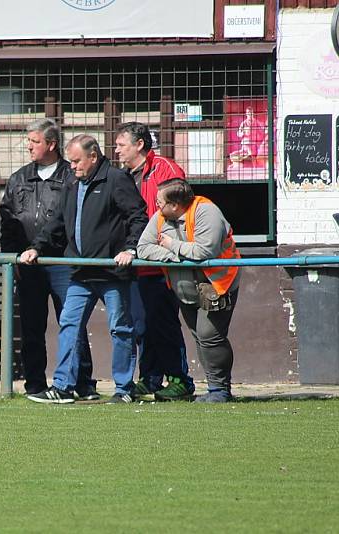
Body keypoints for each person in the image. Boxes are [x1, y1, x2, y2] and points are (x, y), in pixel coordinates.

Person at [20, 135, 147, 404]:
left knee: (120, 328)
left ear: (94, 156)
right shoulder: (72, 183)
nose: (73, 166)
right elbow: (57, 222)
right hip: (80, 272)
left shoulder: (115, 179)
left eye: (77, 161)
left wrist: (130, 249)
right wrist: (37, 248)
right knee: (69, 324)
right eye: (71, 161)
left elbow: (137, 216)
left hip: (112, 272)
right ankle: (63, 386)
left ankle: (124, 388)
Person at [0, 118, 99, 400]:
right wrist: (13, 259)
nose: (28, 146)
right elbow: (7, 221)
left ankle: (83, 384)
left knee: (72, 323)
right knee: (31, 326)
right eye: (28, 141)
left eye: (34, 141)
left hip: (63, 263)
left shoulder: (72, 175)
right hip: (27, 265)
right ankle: (34, 384)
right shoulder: (19, 178)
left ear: (51, 144)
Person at [137, 178, 241, 403]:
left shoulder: (207, 212)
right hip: (185, 289)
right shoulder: (161, 218)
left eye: (160, 203)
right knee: (199, 337)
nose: (156, 208)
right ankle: (215, 388)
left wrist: (171, 245)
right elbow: (143, 248)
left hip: (217, 285)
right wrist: (176, 256)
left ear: (175, 205)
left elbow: (205, 251)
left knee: (209, 336)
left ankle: (220, 389)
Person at [115, 122, 195, 401]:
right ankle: (150, 378)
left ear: (139, 145)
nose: (117, 151)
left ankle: (180, 380)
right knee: (142, 324)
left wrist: (164, 246)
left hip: (162, 262)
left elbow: (178, 207)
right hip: (136, 263)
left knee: (164, 322)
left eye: (121, 145)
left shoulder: (165, 169)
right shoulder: (123, 176)